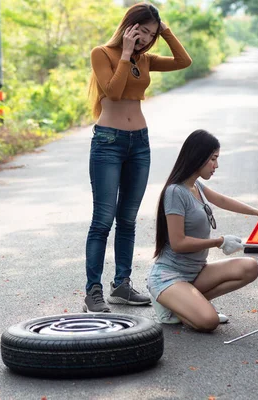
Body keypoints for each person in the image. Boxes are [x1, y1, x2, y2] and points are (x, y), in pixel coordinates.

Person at [84, 3, 192, 313]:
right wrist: (124, 52)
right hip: (108, 143)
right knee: (102, 220)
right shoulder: (102, 54)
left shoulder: (145, 60)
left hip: (139, 144)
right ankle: (93, 290)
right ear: (128, 26)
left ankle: (122, 285)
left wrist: (165, 30)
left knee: (128, 220)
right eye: (141, 31)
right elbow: (114, 92)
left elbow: (184, 61)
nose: (145, 39)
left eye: (151, 34)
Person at [147, 129, 258, 331]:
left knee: (250, 267)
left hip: (196, 273)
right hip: (169, 277)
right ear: (198, 157)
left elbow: (222, 200)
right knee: (209, 322)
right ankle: (171, 305)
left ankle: (187, 306)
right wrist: (219, 242)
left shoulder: (196, 186)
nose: (216, 165)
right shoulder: (175, 192)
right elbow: (178, 243)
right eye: (213, 159)